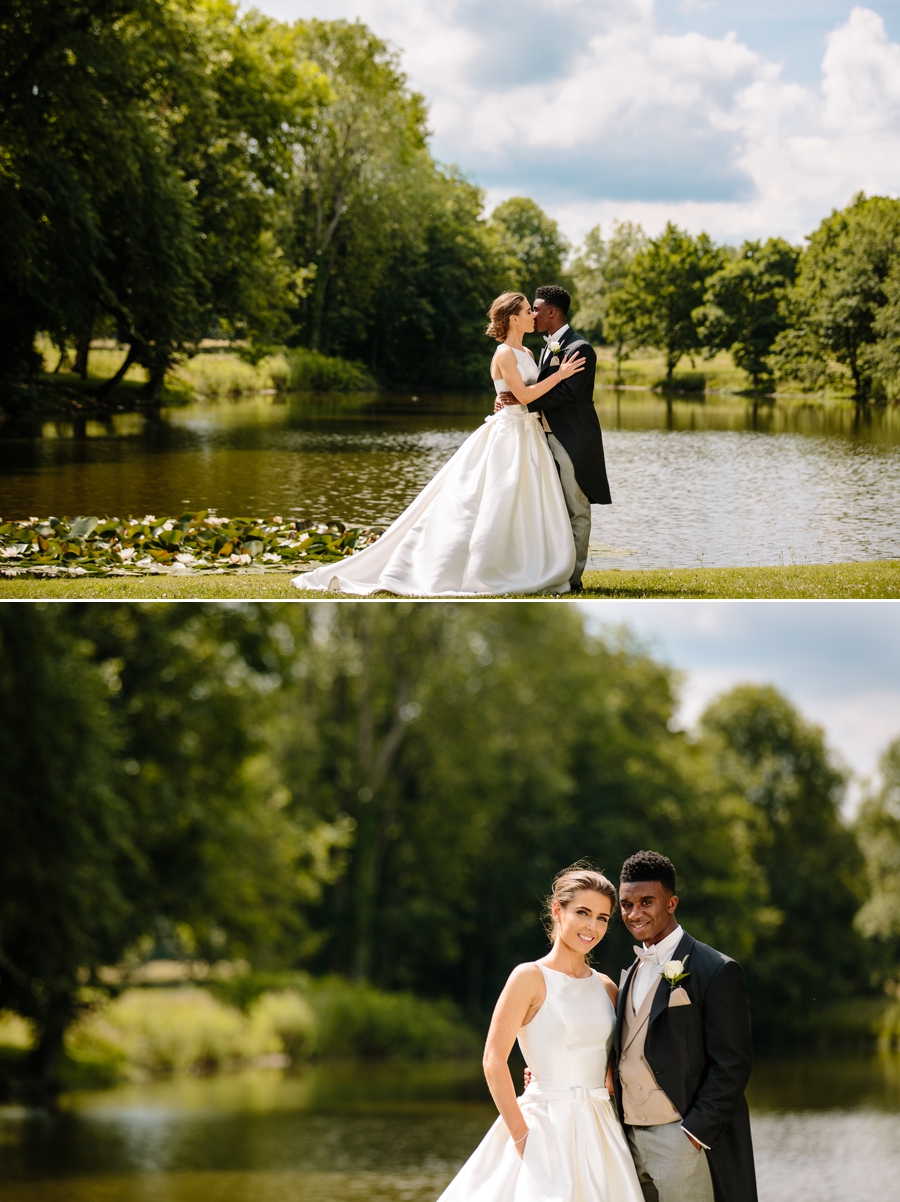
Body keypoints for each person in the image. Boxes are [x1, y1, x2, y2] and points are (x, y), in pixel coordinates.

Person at [292, 292, 584, 596]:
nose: (533, 316)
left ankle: (526, 563)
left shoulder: (526, 350)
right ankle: (484, 567)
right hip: (509, 436)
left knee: (525, 502)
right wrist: (560, 375)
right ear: (513, 318)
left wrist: (511, 395)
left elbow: (521, 393)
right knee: (496, 499)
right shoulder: (503, 354)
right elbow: (523, 395)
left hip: (529, 434)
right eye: (526, 311)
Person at [436, 865, 644, 1202]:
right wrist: (521, 1137)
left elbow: (615, 1064)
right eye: (583, 912)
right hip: (544, 1129)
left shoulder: (607, 988)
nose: (593, 926)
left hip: (601, 1130)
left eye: (603, 918)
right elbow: (493, 1060)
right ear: (557, 910)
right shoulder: (529, 977)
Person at [613, 851, 758, 1202]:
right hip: (627, 1140)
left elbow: (733, 1063)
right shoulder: (630, 973)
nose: (635, 913)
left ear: (671, 902)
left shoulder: (716, 970)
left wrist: (693, 1132)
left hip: (682, 1138)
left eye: (647, 902)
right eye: (626, 904)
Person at [495, 284, 611, 592]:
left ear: (551, 312)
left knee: (576, 507)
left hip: (571, 439)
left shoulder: (579, 348)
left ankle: (572, 579)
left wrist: (520, 400)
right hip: (539, 437)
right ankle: (549, 570)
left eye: (535, 308)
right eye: (527, 309)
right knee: (549, 508)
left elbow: (568, 394)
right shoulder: (545, 348)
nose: (532, 313)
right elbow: (528, 382)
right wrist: (509, 398)